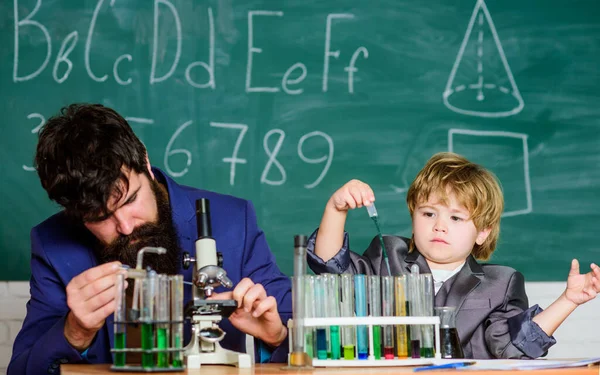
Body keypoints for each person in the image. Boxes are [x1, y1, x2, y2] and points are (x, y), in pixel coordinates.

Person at [8, 104, 292, 374]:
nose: (126, 226)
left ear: (144, 160)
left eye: (131, 200)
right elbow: (22, 370)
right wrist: (75, 331)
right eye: (99, 217)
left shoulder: (233, 221)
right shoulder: (53, 246)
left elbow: (305, 344)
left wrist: (277, 336)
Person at [307, 152, 600, 359]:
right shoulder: (388, 255)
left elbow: (513, 346)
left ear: (482, 232)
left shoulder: (501, 284)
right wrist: (336, 209)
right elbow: (332, 269)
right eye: (429, 213)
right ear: (413, 216)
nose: (439, 226)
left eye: (456, 218)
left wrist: (568, 301)